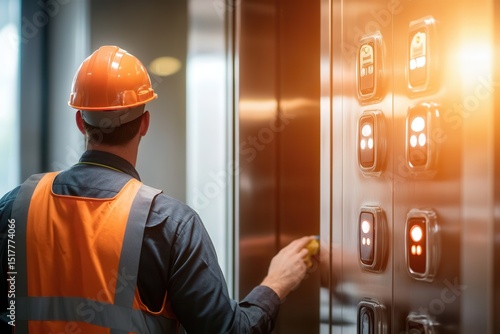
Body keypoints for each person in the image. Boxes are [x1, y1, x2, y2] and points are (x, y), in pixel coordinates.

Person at [0, 45, 315, 333]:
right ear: (145, 122)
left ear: (81, 122)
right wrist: (276, 283)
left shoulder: (16, 207)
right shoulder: (171, 225)